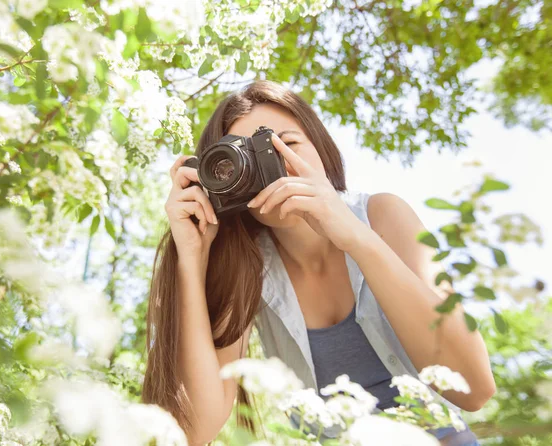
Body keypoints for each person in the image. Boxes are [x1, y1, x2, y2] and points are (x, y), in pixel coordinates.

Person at [142, 80, 496, 445]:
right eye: (249, 158)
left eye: (286, 144)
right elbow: (195, 431)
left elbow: (475, 389)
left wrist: (354, 236)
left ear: (322, 151)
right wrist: (192, 258)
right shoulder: (245, 268)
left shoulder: (382, 215)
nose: (273, 167)